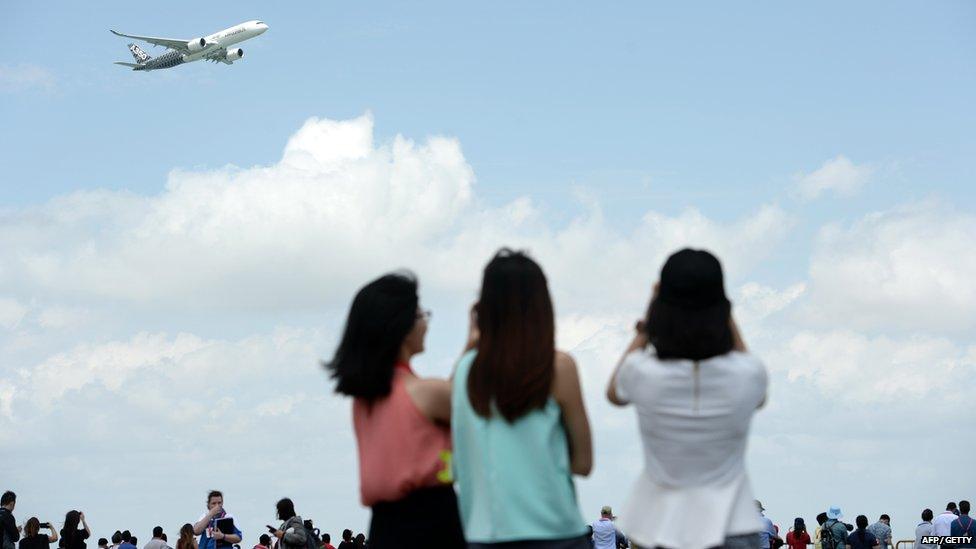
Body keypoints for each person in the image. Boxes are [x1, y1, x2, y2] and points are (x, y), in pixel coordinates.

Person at [606, 249, 767, 549]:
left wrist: (648, 319)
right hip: (732, 524)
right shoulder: (746, 374)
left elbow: (614, 392)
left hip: (661, 527)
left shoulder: (643, 373)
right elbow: (757, 387)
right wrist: (723, 310)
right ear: (722, 306)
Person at [453, 249, 594, 548]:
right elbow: (583, 462)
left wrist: (471, 340)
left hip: (485, 534)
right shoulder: (559, 367)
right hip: (557, 532)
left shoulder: (465, 372)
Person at [326, 272, 464, 549]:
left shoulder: (363, 400)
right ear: (401, 326)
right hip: (435, 522)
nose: (425, 322)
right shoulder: (426, 392)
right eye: (420, 315)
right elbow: (472, 405)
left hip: (384, 527)